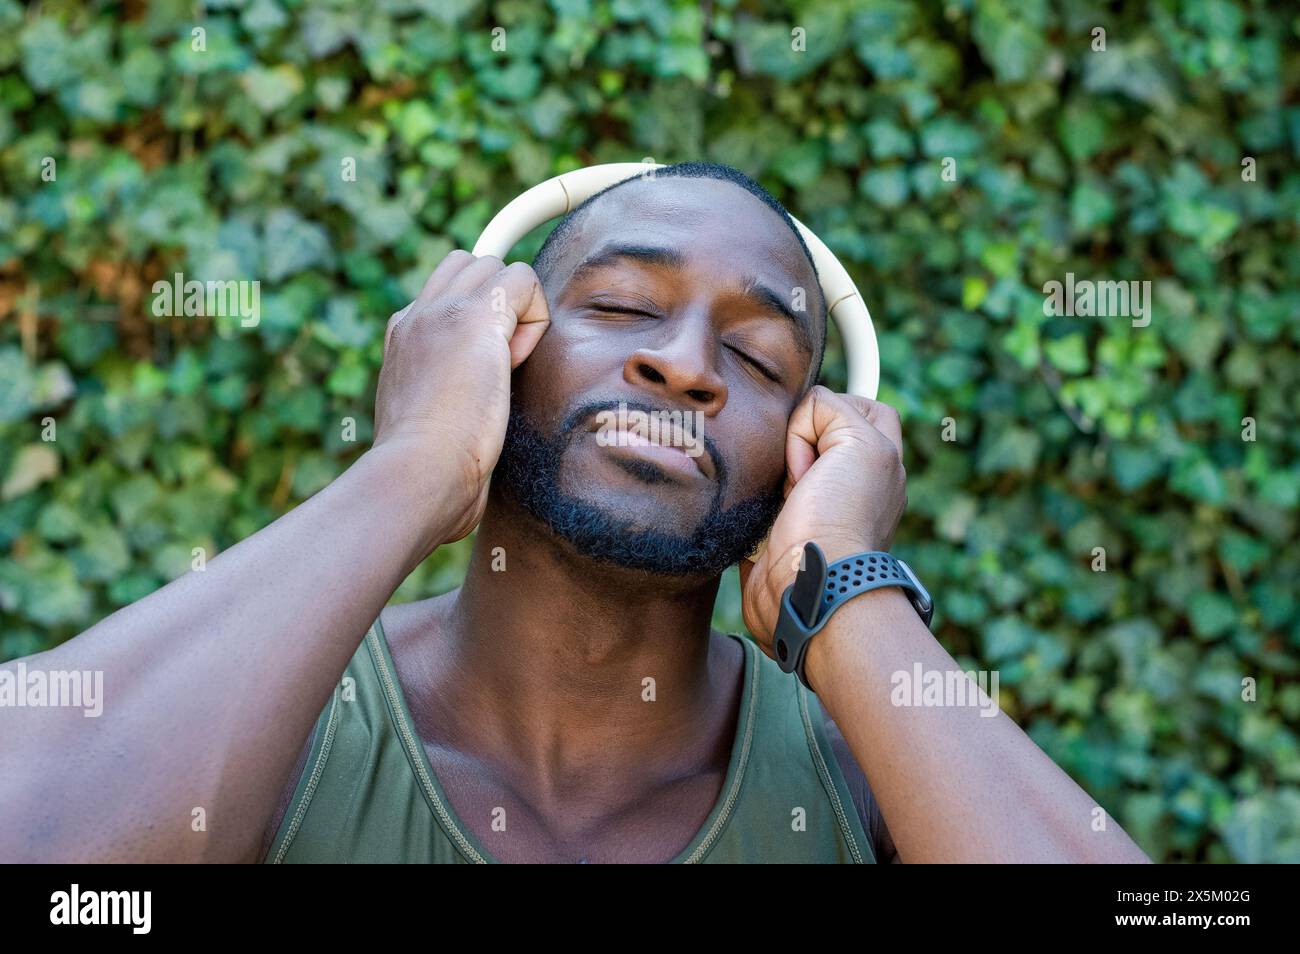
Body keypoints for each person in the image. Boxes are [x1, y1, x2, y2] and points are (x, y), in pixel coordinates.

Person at [0, 161, 1150, 863]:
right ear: (500, 349)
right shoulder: (268, 723)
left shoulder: (867, 788)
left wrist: (841, 588)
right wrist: (417, 463)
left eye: (756, 358)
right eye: (617, 304)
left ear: (807, 448)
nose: (685, 365)